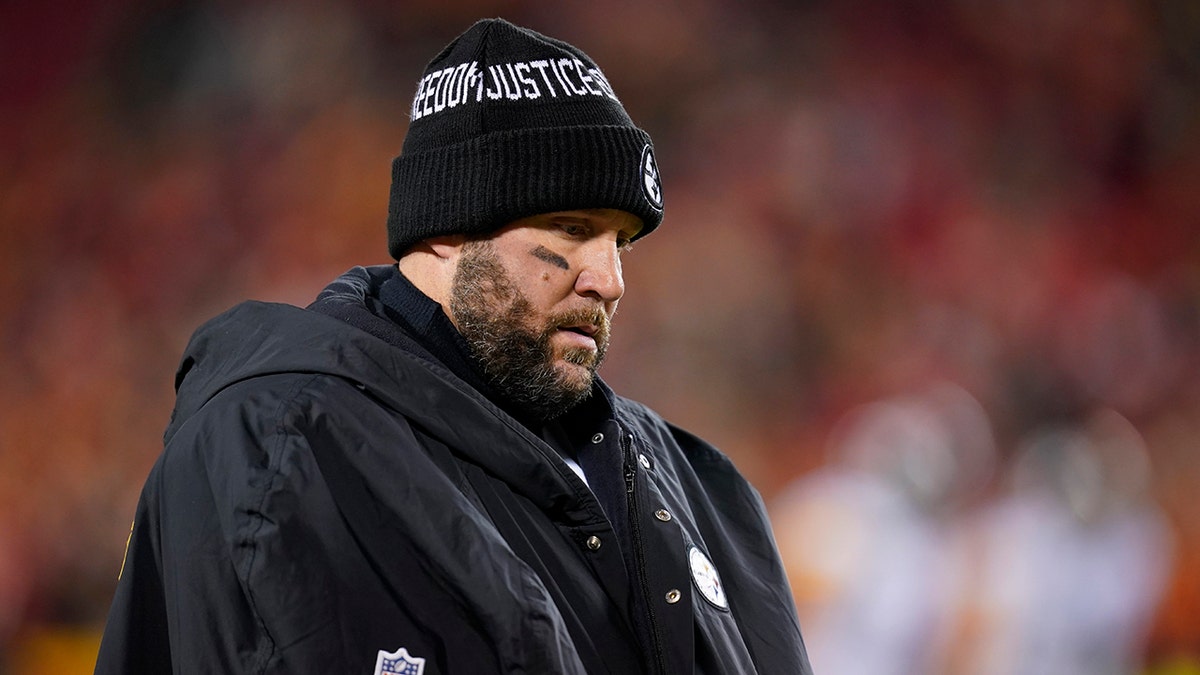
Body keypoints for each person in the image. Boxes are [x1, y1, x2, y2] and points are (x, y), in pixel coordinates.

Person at [94, 18, 812, 675]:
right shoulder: (279, 444)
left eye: (619, 241)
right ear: (448, 226)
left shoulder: (698, 486)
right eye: (569, 228)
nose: (610, 280)